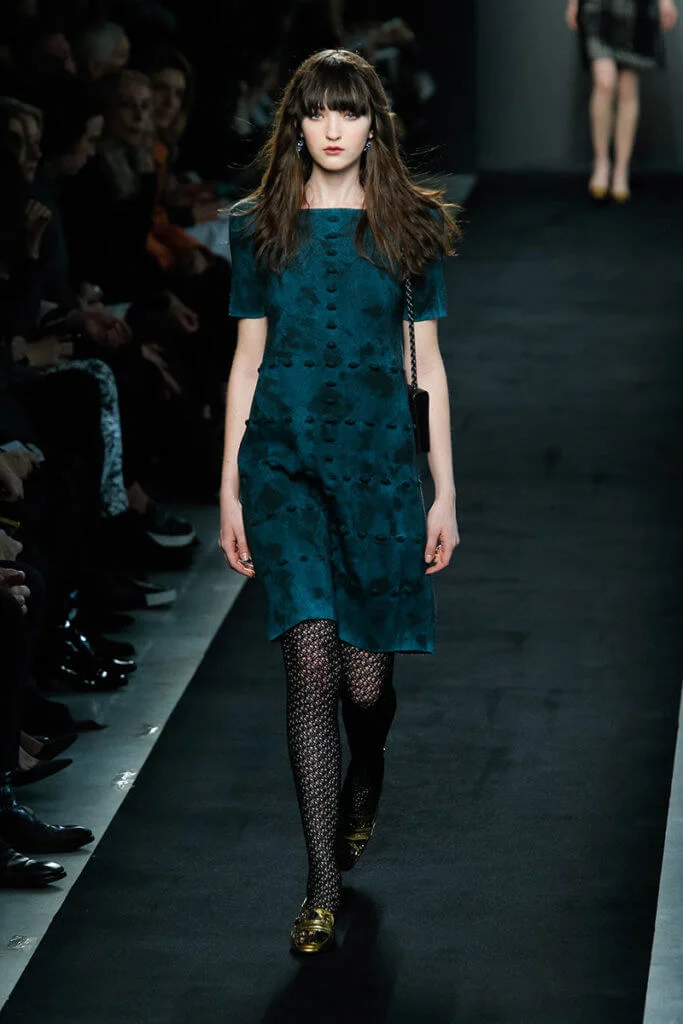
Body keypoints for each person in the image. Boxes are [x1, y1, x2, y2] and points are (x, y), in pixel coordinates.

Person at [220, 49, 460, 955]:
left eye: (348, 112)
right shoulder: (259, 226)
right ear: (294, 123)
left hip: (378, 469)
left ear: (372, 125)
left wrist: (444, 492)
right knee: (310, 669)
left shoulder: (410, 225)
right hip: (283, 468)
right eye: (316, 111)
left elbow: (426, 365)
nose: (331, 128)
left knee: (366, 683)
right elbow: (246, 363)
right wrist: (229, 488)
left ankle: (369, 767)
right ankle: (320, 883)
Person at [566, 0, 679, 200]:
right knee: (604, 84)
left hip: (637, 10)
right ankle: (601, 162)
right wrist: (574, 3)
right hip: (597, 8)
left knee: (628, 90)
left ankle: (621, 170)